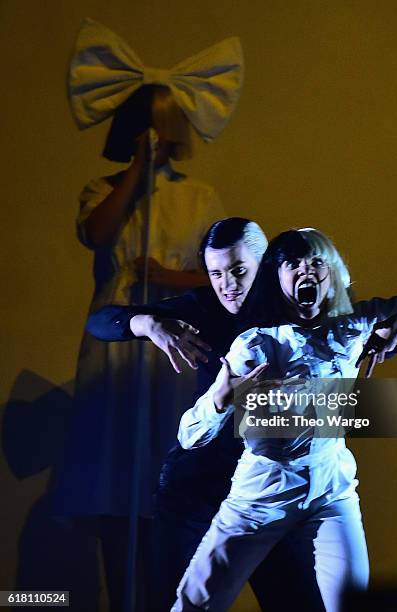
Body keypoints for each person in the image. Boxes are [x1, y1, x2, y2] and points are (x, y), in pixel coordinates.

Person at [54, 19, 244, 611]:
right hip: (115, 352)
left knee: (169, 477)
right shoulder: (102, 188)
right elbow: (97, 233)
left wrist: (167, 279)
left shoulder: (201, 198)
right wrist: (136, 173)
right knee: (114, 482)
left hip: (174, 356)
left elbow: (226, 279)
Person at [172, 228, 397, 612]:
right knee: (196, 603)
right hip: (262, 494)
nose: (307, 271)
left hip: (331, 489)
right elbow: (190, 436)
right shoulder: (257, 343)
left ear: (332, 274)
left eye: (317, 262)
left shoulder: (355, 325)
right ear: (277, 277)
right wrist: (220, 399)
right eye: (293, 264)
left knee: (350, 603)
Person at [87, 217, 327, 610]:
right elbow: (101, 322)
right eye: (216, 273)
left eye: (238, 270)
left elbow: (363, 324)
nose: (227, 285)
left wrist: (390, 333)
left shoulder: (300, 307)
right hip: (196, 493)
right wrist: (149, 323)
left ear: (265, 265)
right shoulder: (201, 307)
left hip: (271, 494)